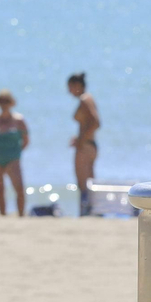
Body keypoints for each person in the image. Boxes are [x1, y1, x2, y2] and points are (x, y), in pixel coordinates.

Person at [0, 90, 30, 217]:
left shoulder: (19, 120)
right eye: (1, 101)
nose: (3, 104)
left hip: (13, 158)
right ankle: (2, 215)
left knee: (19, 189)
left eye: (6, 101)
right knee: (0, 189)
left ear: (11, 103)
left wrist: (15, 153)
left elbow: (26, 141)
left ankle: (21, 215)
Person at [67, 72, 100, 216]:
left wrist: (81, 140)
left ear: (77, 85)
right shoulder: (88, 98)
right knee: (89, 181)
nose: (69, 91)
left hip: (86, 145)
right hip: (90, 144)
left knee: (83, 184)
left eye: (70, 87)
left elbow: (95, 123)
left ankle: (86, 213)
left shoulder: (84, 99)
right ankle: (92, 211)